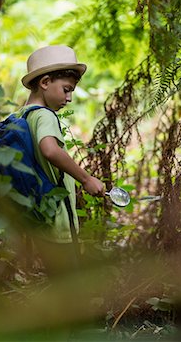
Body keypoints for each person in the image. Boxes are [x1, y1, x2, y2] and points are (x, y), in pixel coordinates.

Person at [19, 45, 104, 275]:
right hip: (57, 220)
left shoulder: (20, 115)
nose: (69, 98)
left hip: (39, 217)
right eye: (66, 89)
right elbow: (50, 150)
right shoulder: (44, 116)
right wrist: (86, 179)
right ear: (45, 82)